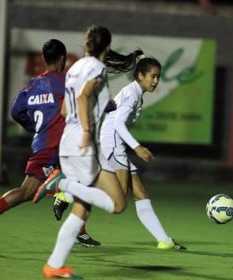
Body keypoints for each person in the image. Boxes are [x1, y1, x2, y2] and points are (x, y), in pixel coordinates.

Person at [32, 25, 143, 279]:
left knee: (82, 209)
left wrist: (93, 114)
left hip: (67, 144)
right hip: (82, 145)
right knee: (118, 204)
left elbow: (63, 111)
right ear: (106, 45)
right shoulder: (96, 68)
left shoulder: (74, 69)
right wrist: (85, 130)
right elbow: (82, 98)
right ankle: (63, 184)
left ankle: (54, 266)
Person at [54, 56, 187, 251]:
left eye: (158, 77)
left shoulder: (135, 92)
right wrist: (137, 147)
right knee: (118, 197)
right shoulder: (131, 94)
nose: (156, 81)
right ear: (140, 75)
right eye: (152, 76)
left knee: (140, 191)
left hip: (112, 143)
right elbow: (118, 124)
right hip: (113, 143)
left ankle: (164, 240)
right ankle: (67, 193)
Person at [0, 39, 100, 247]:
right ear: (63, 59)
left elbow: (15, 112)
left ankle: (77, 226)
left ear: (44, 59)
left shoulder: (31, 85)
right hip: (58, 146)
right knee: (77, 183)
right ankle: (63, 199)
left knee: (74, 183)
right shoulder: (64, 81)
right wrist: (110, 105)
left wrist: (33, 127)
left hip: (44, 146)